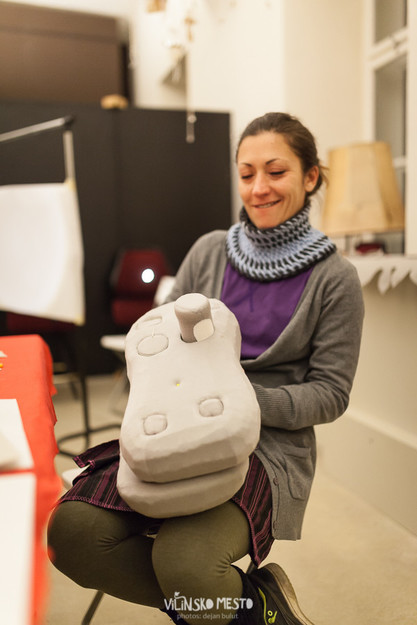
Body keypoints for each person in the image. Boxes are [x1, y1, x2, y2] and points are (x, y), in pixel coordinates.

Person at [48, 112, 364, 625]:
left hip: (268, 447)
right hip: (179, 427)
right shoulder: (210, 251)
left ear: (310, 177)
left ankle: (236, 610)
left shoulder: (336, 279)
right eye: (247, 173)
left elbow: (330, 393)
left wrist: (236, 401)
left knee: (186, 563)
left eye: (276, 172)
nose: (258, 188)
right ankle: (249, 606)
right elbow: (157, 344)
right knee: (72, 535)